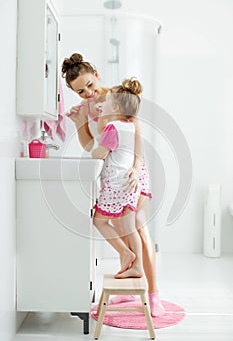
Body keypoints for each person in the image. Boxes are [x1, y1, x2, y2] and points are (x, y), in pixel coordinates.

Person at [62, 53, 165, 316]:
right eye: (80, 91)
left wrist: (135, 168)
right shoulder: (87, 109)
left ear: (96, 74)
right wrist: (78, 122)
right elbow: (90, 146)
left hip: (132, 171)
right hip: (116, 171)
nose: (87, 92)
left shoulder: (117, 97)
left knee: (138, 230)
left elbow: (137, 136)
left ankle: (153, 296)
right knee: (121, 227)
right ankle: (129, 290)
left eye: (89, 85)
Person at [92, 78, 144, 279]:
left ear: (114, 106)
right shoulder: (129, 126)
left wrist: (93, 151)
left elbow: (101, 153)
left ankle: (124, 252)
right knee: (130, 228)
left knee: (99, 222)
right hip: (128, 185)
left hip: (117, 185)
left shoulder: (113, 127)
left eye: (105, 102)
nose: (101, 104)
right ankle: (136, 264)